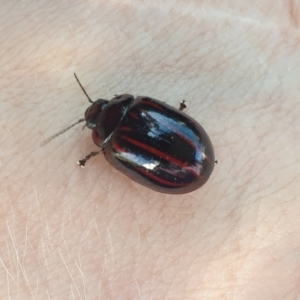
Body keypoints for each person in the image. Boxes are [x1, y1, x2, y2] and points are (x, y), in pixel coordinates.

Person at [1, 1, 299, 299]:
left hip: (186, 166)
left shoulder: (114, 147)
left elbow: (139, 167)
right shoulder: (134, 113)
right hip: (192, 155)